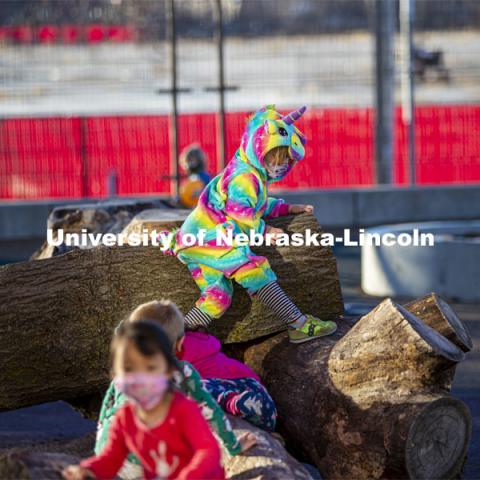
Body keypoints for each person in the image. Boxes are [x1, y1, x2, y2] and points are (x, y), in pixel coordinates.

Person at [161, 105, 337, 343]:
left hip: (195, 240)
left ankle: (172, 339)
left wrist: (286, 208)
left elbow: (257, 205)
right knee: (254, 270)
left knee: (218, 297)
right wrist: (265, 231)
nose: (281, 164)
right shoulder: (245, 177)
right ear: (259, 149)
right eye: (276, 157)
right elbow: (241, 211)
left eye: (285, 159)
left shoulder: (251, 174)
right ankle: (299, 324)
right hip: (209, 237)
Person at [95, 301, 256, 479]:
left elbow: (106, 413)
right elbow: (210, 411)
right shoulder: (182, 372)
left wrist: (100, 455)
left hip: (119, 455)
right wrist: (232, 446)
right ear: (180, 344)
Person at [63, 321, 225, 480]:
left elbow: (208, 450)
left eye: (150, 368)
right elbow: (111, 458)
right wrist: (88, 469)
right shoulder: (125, 417)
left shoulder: (183, 409)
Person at [130, 300, 277, 432]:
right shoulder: (188, 339)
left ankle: (234, 403)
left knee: (187, 388)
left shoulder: (178, 355)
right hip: (260, 398)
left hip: (238, 390)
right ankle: (242, 406)